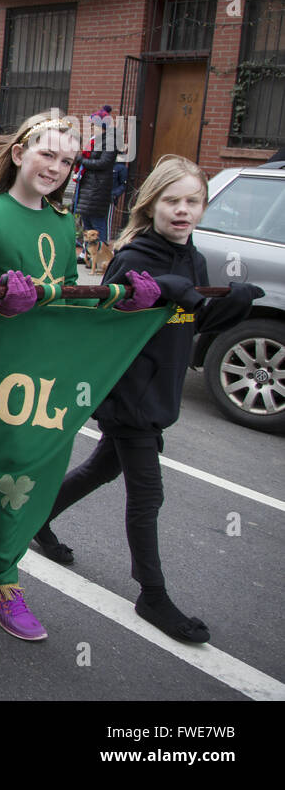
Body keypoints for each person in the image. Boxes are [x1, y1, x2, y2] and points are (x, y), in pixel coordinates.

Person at [34, 156, 261, 645]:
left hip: (160, 393)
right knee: (147, 495)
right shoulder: (136, 258)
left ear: (203, 205)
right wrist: (162, 292)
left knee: (100, 470)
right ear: (151, 203)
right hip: (130, 397)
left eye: (192, 201)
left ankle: (36, 519)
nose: (182, 211)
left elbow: (187, 324)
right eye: (171, 200)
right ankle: (152, 595)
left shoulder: (192, 257)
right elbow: (110, 323)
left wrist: (229, 308)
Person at [0, 110, 87, 641]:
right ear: (19, 154)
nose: (55, 166)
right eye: (46, 153)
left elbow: (69, 294)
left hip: (42, 375)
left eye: (66, 160)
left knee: (26, 479)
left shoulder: (63, 222)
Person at [74, 105, 119, 258]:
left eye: (94, 125)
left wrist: (82, 160)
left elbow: (103, 163)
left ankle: (101, 255)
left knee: (97, 223)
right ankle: (88, 253)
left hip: (98, 188)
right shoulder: (94, 141)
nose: (92, 128)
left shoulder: (110, 142)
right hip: (88, 187)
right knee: (87, 221)